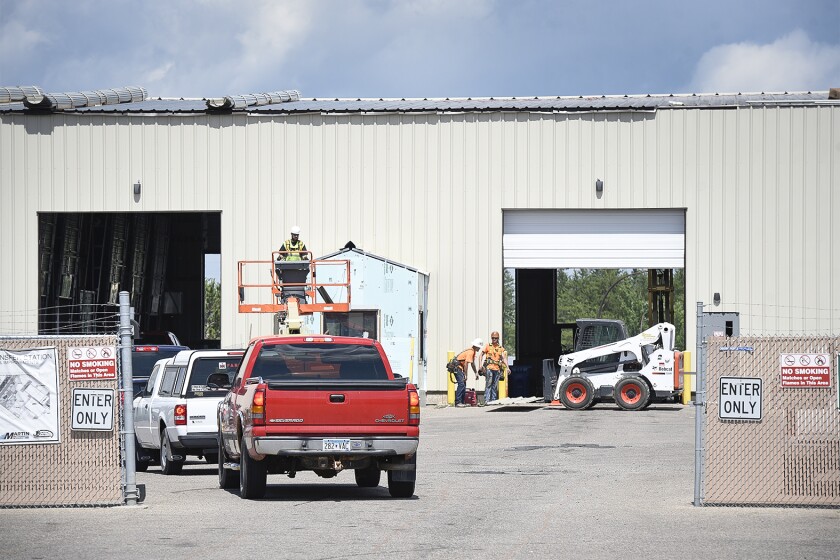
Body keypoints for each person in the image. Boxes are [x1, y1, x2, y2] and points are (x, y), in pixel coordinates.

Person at [478, 331, 508, 404]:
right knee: (489, 384)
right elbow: (480, 355)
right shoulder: (488, 346)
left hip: (497, 369)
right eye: (493, 338)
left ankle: (493, 400)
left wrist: (507, 368)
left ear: (498, 339)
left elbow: (504, 358)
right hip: (489, 368)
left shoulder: (500, 348)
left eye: (496, 338)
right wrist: (480, 366)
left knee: (494, 386)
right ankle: (487, 400)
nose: (494, 339)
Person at [454, 338, 483, 407]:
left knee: (463, 384)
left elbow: (472, 363)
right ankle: (458, 402)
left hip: (459, 368)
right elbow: (466, 363)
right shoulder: (471, 352)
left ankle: (462, 402)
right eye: (479, 347)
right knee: (461, 384)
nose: (479, 348)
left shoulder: (472, 351)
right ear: (476, 346)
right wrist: (465, 374)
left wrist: (476, 373)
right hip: (457, 368)